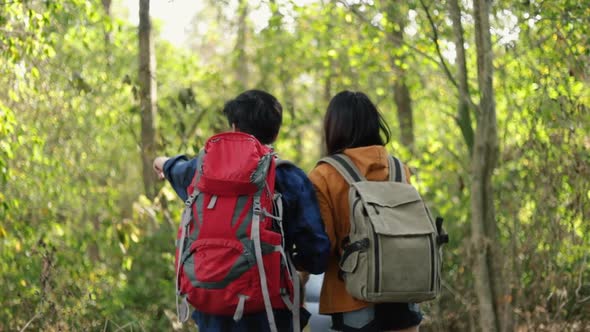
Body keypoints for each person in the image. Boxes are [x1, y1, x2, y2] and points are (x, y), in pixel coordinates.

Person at [153, 89, 330, 332]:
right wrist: (289, 262)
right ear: (275, 133)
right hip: (270, 312)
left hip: (211, 307)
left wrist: (161, 162)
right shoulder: (288, 177)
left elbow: (175, 168)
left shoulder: (201, 171)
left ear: (234, 127)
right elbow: (317, 253)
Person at [308, 90, 422, 332]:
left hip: (352, 298)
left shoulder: (324, 175)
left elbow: (323, 244)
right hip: (406, 292)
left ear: (334, 126)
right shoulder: (400, 169)